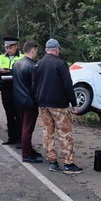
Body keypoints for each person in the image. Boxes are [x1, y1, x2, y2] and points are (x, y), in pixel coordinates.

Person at [33, 38, 83, 174]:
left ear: (46, 50)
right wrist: (74, 103)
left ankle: (53, 162)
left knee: (47, 132)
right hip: (58, 104)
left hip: (43, 104)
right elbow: (68, 84)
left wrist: (37, 99)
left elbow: (34, 85)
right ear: (56, 49)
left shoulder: (38, 64)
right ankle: (68, 163)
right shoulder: (61, 64)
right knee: (64, 132)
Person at [12, 40, 42, 163]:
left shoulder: (16, 64)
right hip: (29, 101)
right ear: (33, 50)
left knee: (24, 126)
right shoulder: (32, 66)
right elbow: (35, 86)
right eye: (36, 51)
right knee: (27, 128)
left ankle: (29, 150)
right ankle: (26, 154)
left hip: (18, 99)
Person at [0, 36, 23, 145]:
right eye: (7, 47)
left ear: (16, 46)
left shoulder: (22, 57)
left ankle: (19, 138)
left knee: (19, 115)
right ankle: (11, 137)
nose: (8, 49)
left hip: (17, 89)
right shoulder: (1, 57)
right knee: (9, 114)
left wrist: (11, 72)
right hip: (5, 89)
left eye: (10, 47)